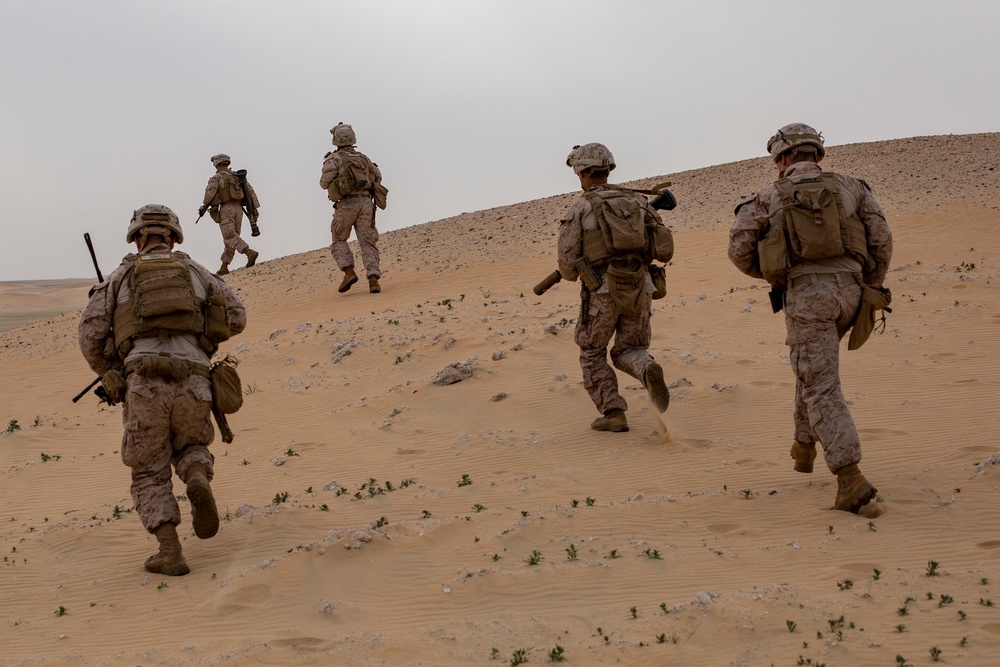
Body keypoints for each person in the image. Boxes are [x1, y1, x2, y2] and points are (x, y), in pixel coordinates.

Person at [728, 123, 893, 513]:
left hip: (807, 298)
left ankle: (850, 476)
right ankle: (804, 447)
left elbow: (739, 250)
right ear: (818, 154)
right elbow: (882, 240)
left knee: (821, 384)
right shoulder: (854, 187)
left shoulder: (767, 195)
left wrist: (778, 273)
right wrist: (870, 283)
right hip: (852, 294)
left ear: (781, 158)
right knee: (812, 368)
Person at [78, 204, 247, 575]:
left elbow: (89, 334)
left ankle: (170, 552)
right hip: (195, 379)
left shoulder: (121, 276)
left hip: (144, 382)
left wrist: (111, 371)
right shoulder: (196, 271)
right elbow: (237, 315)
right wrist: (201, 340)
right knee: (191, 446)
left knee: (148, 470)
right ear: (172, 237)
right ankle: (196, 476)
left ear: (137, 238)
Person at [558, 143, 673, 432]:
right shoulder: (639, 202)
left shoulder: (581, 207)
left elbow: (567, 266)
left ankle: (613, 413)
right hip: (640, 285)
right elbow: (663, 248)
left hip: (602, 291)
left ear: (582, 172)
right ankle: (647, 370)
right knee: (629, 348)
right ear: (609, 169)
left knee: (592, 351)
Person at [320, 123, 386, 294]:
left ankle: (348, 272)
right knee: (367, 242)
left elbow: (324, 183)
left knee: (339, 239)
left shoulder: (333, 159)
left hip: (346, 205)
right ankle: (373, 280)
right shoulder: (364, 158)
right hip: (365, 204)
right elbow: (378, 176)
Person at [199, 153, 260, 275]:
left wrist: (204, 205)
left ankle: (249, 252)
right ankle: (224, 266)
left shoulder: (217, 178)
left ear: (217, 164)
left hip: (227, 209)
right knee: (232, 237)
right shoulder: (238, 176)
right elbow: (250, 192)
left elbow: (209, 194)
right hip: (239, 209)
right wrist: (254, 209)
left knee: (229, 236)